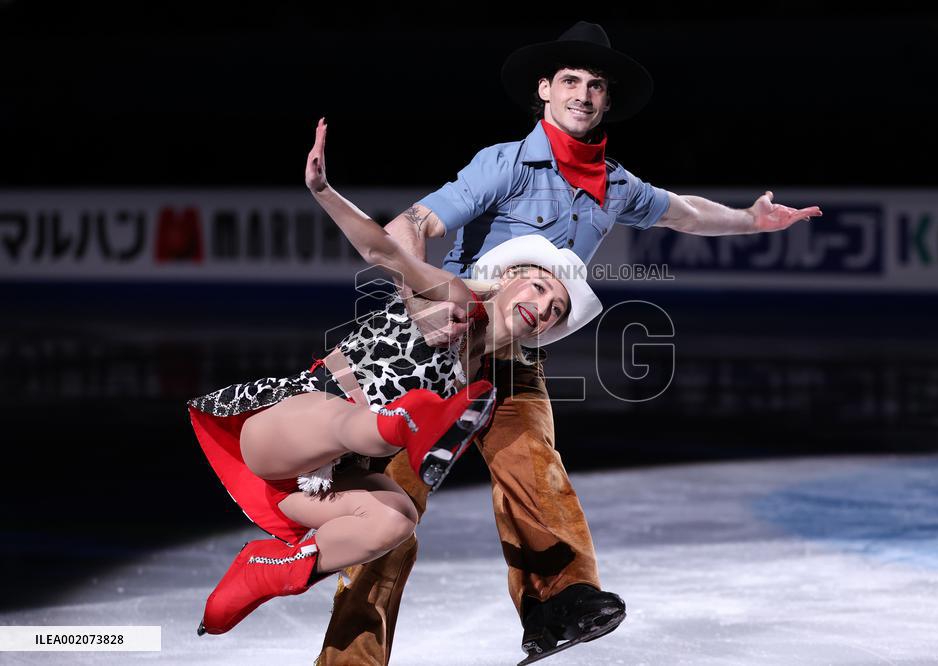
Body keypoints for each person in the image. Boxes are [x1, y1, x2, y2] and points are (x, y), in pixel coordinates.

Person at [316, 21, 823, 664]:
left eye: (596, 85)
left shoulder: (615, 185)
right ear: (545, 91)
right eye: (572, 82)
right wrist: (424, 305)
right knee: (386, 518)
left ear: (606, 102)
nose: (583, 94)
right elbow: (410, 225)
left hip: (517, 359)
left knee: (535, 468)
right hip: (439, 358)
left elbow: (685, 212)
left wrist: (751, 220)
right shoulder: (504, 163)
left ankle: (559, 604)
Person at [189, 118, 605, 637]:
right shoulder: (453, 296)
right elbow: (384, 251)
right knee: (349, 421)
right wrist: (324, 191)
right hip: (285, 431)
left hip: (317, 484)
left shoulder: (484, 385)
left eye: (555, 310)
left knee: (397, 519)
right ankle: (404, 421)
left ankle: (272, 569)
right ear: (510, 277)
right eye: (539, 287)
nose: (541, 307)